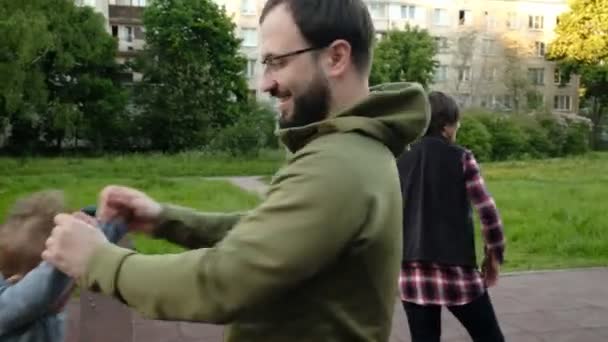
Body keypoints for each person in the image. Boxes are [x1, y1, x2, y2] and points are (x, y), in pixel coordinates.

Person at [41, 0, 431, 341]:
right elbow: (273, 237)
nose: (265, 83)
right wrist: (166, 220)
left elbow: (221, 283)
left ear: (336, 57)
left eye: (277, 61)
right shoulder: (354, 150)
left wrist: (96, 260)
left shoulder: (339, 164)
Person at [396, 91, 506, 342]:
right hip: (456, 270)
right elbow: (487, 211)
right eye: (457, 124)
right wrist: (494, 255)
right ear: (446, 126)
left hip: (411, 271)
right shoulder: (461, 158)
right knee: (490, 337)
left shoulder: (399, 160)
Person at [0, 190, 128, 341]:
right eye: (63, 287)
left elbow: (93, 250)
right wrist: (66, 253)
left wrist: (108, 221)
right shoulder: (7, 309)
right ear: (19, 283)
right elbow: (43, 288)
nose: (70, 289)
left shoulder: (43, 305)